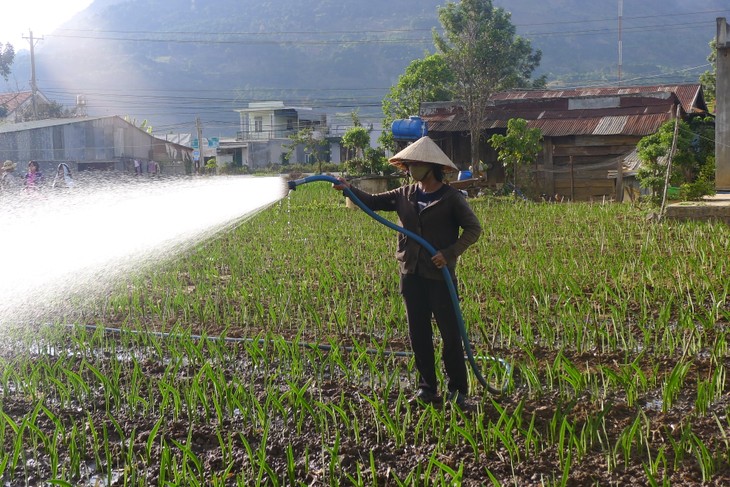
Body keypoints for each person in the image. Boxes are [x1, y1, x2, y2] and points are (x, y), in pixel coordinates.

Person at [334, 136, 482, 407]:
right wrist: (348, 189)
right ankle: (428, 389)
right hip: (411, 274)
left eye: (414, 164)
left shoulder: (451, 198)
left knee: (450, 335)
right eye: (408, 164)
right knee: (419, 333)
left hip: (440, 276)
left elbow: (474, 229)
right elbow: (372, 202)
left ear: (430, 166)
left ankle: (458, 391)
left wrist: (449, 253)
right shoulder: (404, 194)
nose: (409, 168)